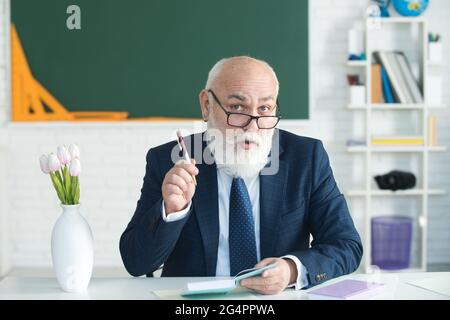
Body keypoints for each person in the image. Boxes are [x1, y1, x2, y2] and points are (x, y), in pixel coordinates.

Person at [120, 56, 363, 295]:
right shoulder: (168, 160)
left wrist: (291, 270)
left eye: (265, 109)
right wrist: (172, 212)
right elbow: (136, 262)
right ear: (206, 105)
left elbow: (346, 246)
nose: (253, 127)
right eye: (237, 108)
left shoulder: (307, 157)